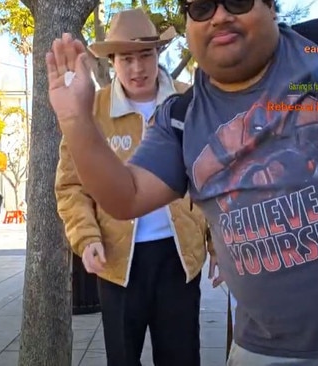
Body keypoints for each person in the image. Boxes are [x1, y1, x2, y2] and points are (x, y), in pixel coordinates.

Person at [46, 0, 318, 364]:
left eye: (236, 1)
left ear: (270, 6)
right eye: (201, 6)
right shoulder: (179, 119)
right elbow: (124, 197)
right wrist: (76, 120)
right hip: (263, 353)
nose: (218, 16)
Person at [54, 8, 218, 366]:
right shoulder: (90, 110)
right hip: (116, 262)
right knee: (123, 358)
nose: (137, 68)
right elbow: (71, 185)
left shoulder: (189, 102)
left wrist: (219, 243)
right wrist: (86, 237)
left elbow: (215, 176)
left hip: (180, 258)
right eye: (126, 58)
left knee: (181, 357)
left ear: (158, 54)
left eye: (145, 55)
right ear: (113, 61)